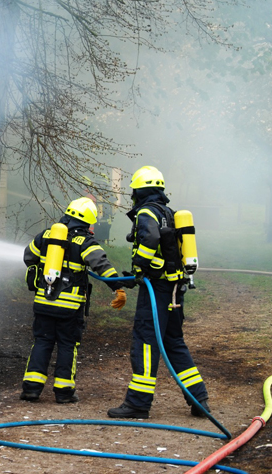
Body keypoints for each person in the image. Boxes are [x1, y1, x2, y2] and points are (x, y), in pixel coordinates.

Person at [107, 166, 211, 419]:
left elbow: (151, 239)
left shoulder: (147, 212)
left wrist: (139, 268)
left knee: (145, 343)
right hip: (175, 288)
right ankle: (199, 400)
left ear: (139, 191)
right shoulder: (169, 213)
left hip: (157, 288)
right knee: (173, 342)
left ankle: (138, 404)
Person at [20, 197, 126, 403]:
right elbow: (101, 265)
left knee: (42, 342)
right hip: (69, 308)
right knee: (68, 345)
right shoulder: (85, 242)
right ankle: (64, 392)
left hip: (44, 302)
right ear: (86, 222)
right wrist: (118, 287)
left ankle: (31, 389)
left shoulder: (46, 235)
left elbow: (28, 256)